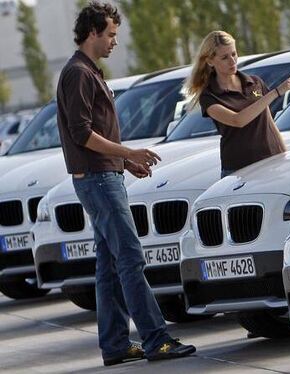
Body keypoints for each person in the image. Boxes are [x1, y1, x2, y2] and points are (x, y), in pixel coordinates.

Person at [55, 1, 195, 366]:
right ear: (92, 33)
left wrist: (122, 162)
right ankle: (156, 339)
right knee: (130, 258)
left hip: (104, 175)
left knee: (109, 264)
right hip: (98, 180)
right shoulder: (79, 74)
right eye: (111, 34)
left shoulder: (89, 71)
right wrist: (127, 153)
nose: (115, 41)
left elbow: (92, 135)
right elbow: (82, 133)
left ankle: (116, 345)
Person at [185, 31, 290, 178]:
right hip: (238, 171)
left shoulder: (254, 82)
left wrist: (284, 154)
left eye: (234, 54)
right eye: (225, 57)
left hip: (271, 162)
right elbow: (237, 120)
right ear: (210, 61)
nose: (232, 61)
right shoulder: (209, 96)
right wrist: (276, 92)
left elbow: (269, 123)